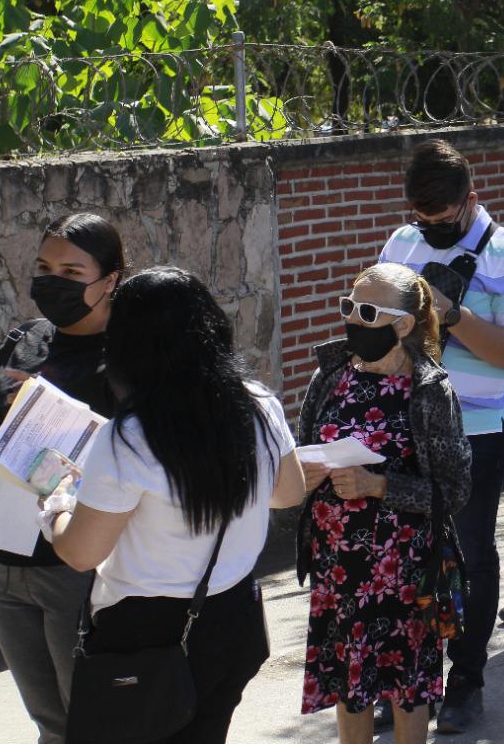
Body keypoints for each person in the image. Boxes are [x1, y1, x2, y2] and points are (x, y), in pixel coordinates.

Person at [42, 266, 306, 743]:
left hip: (146, 634)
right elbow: (288, 493)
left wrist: (56, 509)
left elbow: (80, 553)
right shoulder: (257, 403)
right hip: (234, 616)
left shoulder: (129, 438)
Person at [376, 140, 504, 734]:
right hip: (404, 421)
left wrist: (452, 315)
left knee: (468, 558)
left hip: (476, 428)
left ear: (471, 200)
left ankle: (465, 681)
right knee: (400, 556)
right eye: (419, 216)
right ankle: (402, 683)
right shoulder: (402, 243)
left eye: (440, 219)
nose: (427, 228)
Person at [296, 262, 472, 744]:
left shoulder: (430, 390)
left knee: (407, 694)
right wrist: (305, 478)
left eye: (367, 312)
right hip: (337, 568)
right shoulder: (330, 377)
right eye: (348, 307)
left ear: (403, 325)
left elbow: (454, 491)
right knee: (349, 691)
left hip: (402, 573)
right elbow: (299, 458)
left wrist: (378, 486)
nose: (352, 320)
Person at [0, 213, 123, 744]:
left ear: (111, 281)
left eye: (71, 272)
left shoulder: (124, 362)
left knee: (91, 721)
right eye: (43, 267)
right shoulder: (26, 340)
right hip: (4, 559)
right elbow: (4, 443)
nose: (51, 281)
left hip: (71, 565)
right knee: (49, 725)